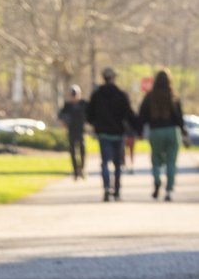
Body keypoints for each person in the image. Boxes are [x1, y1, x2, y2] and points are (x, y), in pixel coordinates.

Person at [86, 67, 139, 202]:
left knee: (104, 162)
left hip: (103, 133)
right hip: (118, 133)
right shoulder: (121, 94)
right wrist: (137, 128)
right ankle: (117, 190)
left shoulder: (97, 95)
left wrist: (95, 124)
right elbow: (129, 114)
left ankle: (106, 188)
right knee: (117, 163)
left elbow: (89, 114)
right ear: (114, 78)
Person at [137, 69, 189, 201]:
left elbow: (142, 116)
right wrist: (183, 131)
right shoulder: (173, 96)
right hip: (171, 131)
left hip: (156, 132)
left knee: (156, 160)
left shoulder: (150, 96)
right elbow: (179, 117)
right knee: (171, 162)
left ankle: (157, 180)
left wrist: (139, 130)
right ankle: (169, 190)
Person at [57, 84, 87, 179]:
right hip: (72, 131)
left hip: (81, 131)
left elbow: (90, 114)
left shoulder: (83, 103)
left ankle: (81, 168)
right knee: (73, 151)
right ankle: (75, 171)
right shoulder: (68, 105)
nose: (74, 96)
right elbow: (61, 115)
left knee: (82, 150)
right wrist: (64, 124)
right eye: (73, 94)